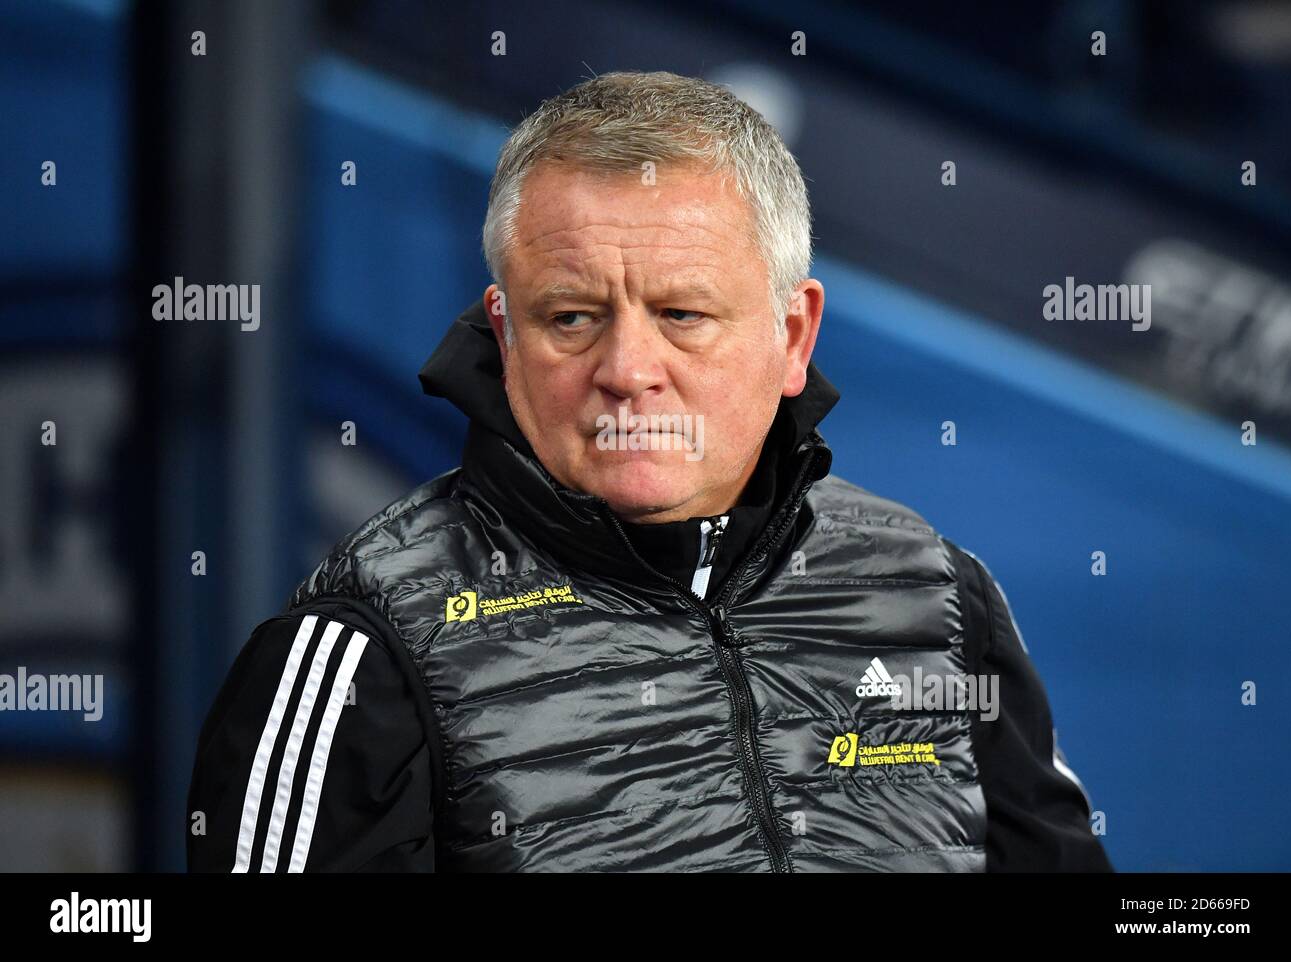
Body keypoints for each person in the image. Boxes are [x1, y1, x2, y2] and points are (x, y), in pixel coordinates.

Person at [187, 70, 1112, 873]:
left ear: (793, 337)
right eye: (573, 318)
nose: (628, 370)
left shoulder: (943, 600)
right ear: (505, 337)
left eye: (681, 313)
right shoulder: (360, 651)